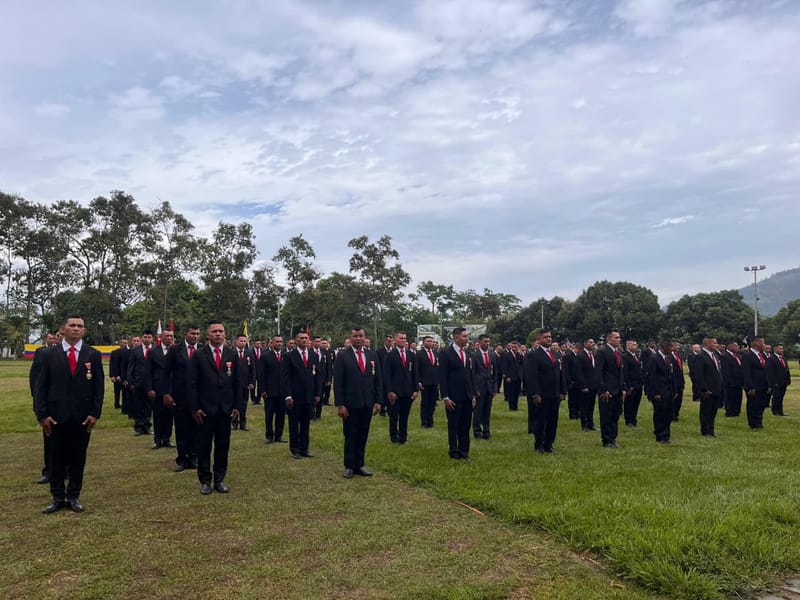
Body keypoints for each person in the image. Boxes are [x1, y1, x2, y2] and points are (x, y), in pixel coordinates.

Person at [36, 315, 104, 513]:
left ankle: (74, 496)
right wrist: (42, 415)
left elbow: (98, 388)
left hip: (83, 417)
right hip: (56, 416)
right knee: (55, 458)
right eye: (72, 325)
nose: (76, 329)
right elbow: (41, 387)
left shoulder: (92, 354)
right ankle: (57, 497)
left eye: (80, 326)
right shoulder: (49, 354)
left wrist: (95, 413)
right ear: (63, 329)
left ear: (84, 330)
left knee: (78, 458)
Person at [189, 320, 243, 494]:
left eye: (221, 331)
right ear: (208, 334)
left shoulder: (231, 354)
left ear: (225, 334)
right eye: (214, 331)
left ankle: (219, 479)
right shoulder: (198, 355)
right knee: (204, 446)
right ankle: (205, 480)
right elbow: (192, 383)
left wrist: (237, 406)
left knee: (222, 445)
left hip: (225, 409)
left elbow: (237, 382)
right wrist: (195, 407)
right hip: (204, 409)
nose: (218, 334)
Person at [334, 326, 383, 478]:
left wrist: (378, 401)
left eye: (361, 336)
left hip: (367, 402)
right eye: (355, 336)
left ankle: (359, 465)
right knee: (350, 434)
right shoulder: (343, 355)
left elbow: (378, 380)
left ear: (364, 337)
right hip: (350, 403)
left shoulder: (371, 355)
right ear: (350, 337)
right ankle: (349, 466)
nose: (358, 339)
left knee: (363, 434)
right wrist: (340, 404)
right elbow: (339, 382)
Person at [163, 323, 201, 472]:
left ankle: (194, 457)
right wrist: (166, 393)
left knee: (197, 428)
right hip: (180, 396)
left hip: (198, 397)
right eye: (192, 333)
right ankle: (181, 459)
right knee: (182, 428)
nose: (195, 336)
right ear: (185, 334)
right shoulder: (175, 350)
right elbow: (165, 373)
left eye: (198, 334)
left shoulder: (203, 350)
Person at [280, 331, 322, 459]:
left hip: (309, 396)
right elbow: (285, 377)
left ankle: (305, 448)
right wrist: (288, 395)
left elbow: (318, 376)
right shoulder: (289, 356)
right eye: (301, 338)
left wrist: (318, 393)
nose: (304, 340)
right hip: (294, 396)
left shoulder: (314, 355)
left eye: (306, 338)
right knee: (294, 423)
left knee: (305, 423)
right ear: (296, 340)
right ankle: (295, 449)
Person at [523, 329, 566, 453]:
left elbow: (560, 373)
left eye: (550, 336)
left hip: (555, 393)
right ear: (539, 339)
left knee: (553, 420)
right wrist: (535, 393)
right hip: (542, 393)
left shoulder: (556, 354)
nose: (549, 339)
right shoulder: (533, 355)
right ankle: (539, 445)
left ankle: (549, 444)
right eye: (546, 337)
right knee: (541, 420)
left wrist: (563, 391)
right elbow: (531, 376)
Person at [439, 327, 476, 459]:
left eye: (467, 336)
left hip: (467, 395)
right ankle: (454, 451)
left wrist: (472, 395)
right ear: (455, 337)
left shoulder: (468, 353)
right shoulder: (445, 354)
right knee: (453, 425)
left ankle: (464, 451)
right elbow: (442, 377)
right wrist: (445, 397)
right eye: (464, 336)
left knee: (465, 425)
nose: (467, 339)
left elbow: (470, 375)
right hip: (453, 396)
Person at [29, 332, 57, 484]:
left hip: (65, 406)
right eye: (54, 336)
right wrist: (38, 404)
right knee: (49, 439)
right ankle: (48, 471)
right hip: (48, 405)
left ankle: (64, 470)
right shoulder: (42, 353)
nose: (55, 339)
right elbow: (35, 377)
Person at [384, 331, 418, 444]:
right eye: (400, 338)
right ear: (395, 340)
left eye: (404, 338)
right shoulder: (390, 355)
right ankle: (394, 436)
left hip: (408, 391)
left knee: (404, 416)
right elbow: (387, 375)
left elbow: (415, 373)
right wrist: (389, 391)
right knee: (394, 416)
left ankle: (403, 437)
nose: (403, 340)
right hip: (395, 391)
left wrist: (415, 390)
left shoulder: (411, 355)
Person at [595, 330, 627, 448]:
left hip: (617, 389)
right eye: (616, 338)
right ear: (609, 339)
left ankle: (613, 438)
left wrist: (623, 387)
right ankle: (606, 439)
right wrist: (603, 389)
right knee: (606, 416)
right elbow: (599, 372)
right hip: (607, 390)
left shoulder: (618, 352)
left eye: (619, 338)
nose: (619, 340)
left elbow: (620, 372)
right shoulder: (602, 352)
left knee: (615, 415)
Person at [691, 337, 724, 437]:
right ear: (708, 344)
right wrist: (704, 389)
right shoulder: (701, 356)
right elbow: (698, 374)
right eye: (715, 343)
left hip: (716, 388)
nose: (717, 344)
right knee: (706, 410)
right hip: (707, 389)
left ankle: (711, 429)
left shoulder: (715, 356)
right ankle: (705, 431)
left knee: (713, 410)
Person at [644, 339, 675, 444]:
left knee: (668, 413)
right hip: (659, 392)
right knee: (660, 413)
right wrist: (654, 393)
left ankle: (666, 434)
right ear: (664, 347)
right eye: (670, 347)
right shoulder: (654, 359)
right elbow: (651, 377)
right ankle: (660, 435)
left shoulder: (668, 358)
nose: (672, 349)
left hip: (668, 391)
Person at [150, 329, 175, 449]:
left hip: (172, 388)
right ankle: (158, 439)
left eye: (171, 336)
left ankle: (167, 438)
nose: (169, 338)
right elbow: (148, 371)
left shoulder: (176, 351)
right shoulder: (153, 351)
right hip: (157, 388)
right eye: (167, 336)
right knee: (158, 414)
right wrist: (150, 388)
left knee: (169, 415)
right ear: (161, 337)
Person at [259, 335, 286, 443]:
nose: (279, 343)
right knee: (269, 414)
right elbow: (261, 375)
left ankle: (279, 435)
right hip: (270, 391)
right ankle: (269, 435)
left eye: (281, 341)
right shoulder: (265, 356)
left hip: (282, 391)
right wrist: (262, 390)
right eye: (277, 341)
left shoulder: (286, 355)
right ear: (272, 343)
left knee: (281, 415)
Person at [127, 329, 155, 436]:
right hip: (137, 383)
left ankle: (147, 426)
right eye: (145, 337)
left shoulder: (156, 350)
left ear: (152, 338)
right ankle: (138, 427)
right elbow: (130, 367)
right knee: (138, 405)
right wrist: (131, 382)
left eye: (149, 337)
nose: (147, 339)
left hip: (151, 384)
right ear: (142, 338)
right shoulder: (135, 350)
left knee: (148, 406)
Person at [471, 334, 498, 440]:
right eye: (485, 341)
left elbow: (495, 372)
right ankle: (477, 432)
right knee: (478, 411)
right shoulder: (474, 355)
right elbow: (472, 373)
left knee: (487, 410)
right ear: (480, 342)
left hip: (489, 387)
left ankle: (486, 431)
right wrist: (474, 389)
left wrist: (495, 388)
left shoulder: (492, 355)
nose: (487, 343)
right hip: (479, 387)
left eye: (488, 341)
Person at [742, 337, 770, 430]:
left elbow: (765, 371)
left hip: (763, 385)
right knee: (753, 404)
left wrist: (768, 385)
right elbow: (746, 372)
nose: (764, 345)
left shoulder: (762, 355)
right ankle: (753, 423)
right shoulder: (747, 356)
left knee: (761, 404)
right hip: (753, 385)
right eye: (763, 342)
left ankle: (759, 422)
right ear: (756, 344)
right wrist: (750, 386)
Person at [232, 334, 255, 431]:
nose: (243, 343)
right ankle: (234, 422)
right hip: (234, 384)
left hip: (245, 383)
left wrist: (252, 382)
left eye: (244, 341)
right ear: (236, 342)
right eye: (241, 341)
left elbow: (253, 369)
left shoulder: (249, 353)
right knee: (234, 403)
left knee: (244, 404)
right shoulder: (231, 353)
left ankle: (243, 423)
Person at [574, 338, 598, 432]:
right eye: (590, 342)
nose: (593, 344)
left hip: (593, 385)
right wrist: (583, 386)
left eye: (593, 342)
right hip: (585, 386)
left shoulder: (593, 355)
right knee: (584, 406)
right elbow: (578, 373)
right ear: (585, 344)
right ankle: (584, 425)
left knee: (591, 406)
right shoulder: (581, 356)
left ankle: (591, 423)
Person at [416, 336, 440, 428]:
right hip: (424, 382)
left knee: (433, 402)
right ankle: (424, 422)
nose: (430, 343)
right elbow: (417, 368)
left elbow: (438, 367)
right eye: (428, 341)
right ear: (424, 342)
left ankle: (430, 421)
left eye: (432, 341)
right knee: (425, 402)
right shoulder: (419, 354)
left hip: (434, 382)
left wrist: (438, 381)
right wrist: (418, 381)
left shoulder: (435, 353)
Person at [622, 339, 643, 427]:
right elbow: (625, 372)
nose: (635, 346)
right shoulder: (625, 356)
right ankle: (628, 420)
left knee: (636, 403)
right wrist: (628, 385)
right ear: (628, 346)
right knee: (629, 403)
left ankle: (634, 419)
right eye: (633, 345)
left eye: (636, 344)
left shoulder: (636, 356)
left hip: (638, 384)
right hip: (631, 384)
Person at [769, 344, 791, 416]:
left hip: (783, 381)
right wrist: (773, 382)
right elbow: (771, 372)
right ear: (775, 349)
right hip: (776, 382)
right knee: (776, 396)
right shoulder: (771, 359)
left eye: (782, 349)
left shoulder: (783, 358)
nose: (782, 350)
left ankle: (780, 411)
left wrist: (788, 380)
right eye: (780, 349)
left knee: (781, 397)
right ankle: (775, 411)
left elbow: (786, 370)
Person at [562, 341, 582, 420]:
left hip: (578, 381)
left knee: (578, 398)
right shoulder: (568, 356)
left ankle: (577, 413)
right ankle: (572, 414)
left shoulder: (578, 356)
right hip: (571, 381)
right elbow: (566, 370)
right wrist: (569, 380)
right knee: (572, 399)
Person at [500, 341, 522, 411]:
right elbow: (504, 366)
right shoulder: (507, 355)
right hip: (510, 377)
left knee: (517, 392)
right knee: (511, 392)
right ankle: (511, 407)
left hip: (518, 377)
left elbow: (521, 365)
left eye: (516, 347)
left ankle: (515, 406)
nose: (514, 348)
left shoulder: (519, 355)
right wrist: (507, 376)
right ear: (511, 347)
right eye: (513, 347)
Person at [109, 337, 129, 410]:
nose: (124, 344)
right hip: (116, 374)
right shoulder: (114, 352)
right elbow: (112, 364)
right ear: (119, 343)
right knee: (117, 391)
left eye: (125, 343)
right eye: (123, 342)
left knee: (125, 392)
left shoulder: (129, 352)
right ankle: (116, 404)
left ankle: (124, 405)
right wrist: (112, 375)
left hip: (125, 375)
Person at [669, 345, 685, 421]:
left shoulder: (679, 356)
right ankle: (671, 415)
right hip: (673, 381)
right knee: (673, 398)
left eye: (679, 346)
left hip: (680, 381)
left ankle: (676, 413)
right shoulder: (669, 357)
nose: (678, 347)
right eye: (676, 346)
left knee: (679, 399)